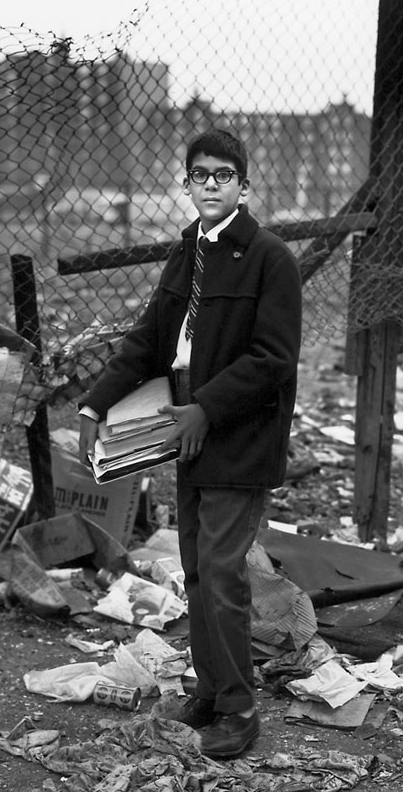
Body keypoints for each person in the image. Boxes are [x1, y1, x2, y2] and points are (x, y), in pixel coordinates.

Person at [77, 128, 302, 759]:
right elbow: (150, 339)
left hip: (240, 436)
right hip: (189, 437)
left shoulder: (269, 258)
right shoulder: (188, 255)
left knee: (225, 571)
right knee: (199, 571)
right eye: (199, 175)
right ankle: (210, 688)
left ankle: (238, 708)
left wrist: (206, 407)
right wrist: (96, 402)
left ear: (244, 186)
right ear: (187, 184)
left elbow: (275, 358)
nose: (210, 184)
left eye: (222, 175)